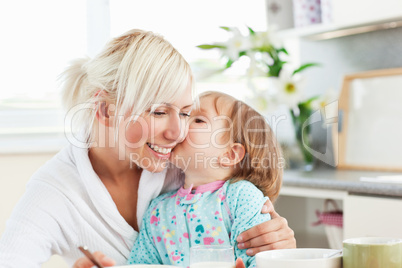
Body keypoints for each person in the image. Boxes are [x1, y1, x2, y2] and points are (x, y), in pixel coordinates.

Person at [0, 29, 295, 268]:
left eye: (184, 112)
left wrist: (278, 245)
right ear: (104, 110)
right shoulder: (55, 191)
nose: (177, 132)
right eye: (158, 112)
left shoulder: (186, 164)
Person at [124, 91, 284, 268]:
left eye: (198, 120)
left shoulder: (242, 198)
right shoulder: (157, 211)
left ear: (230, 154)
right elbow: (139, 265)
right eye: (186, 115)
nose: (181, 124)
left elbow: (263, 260)